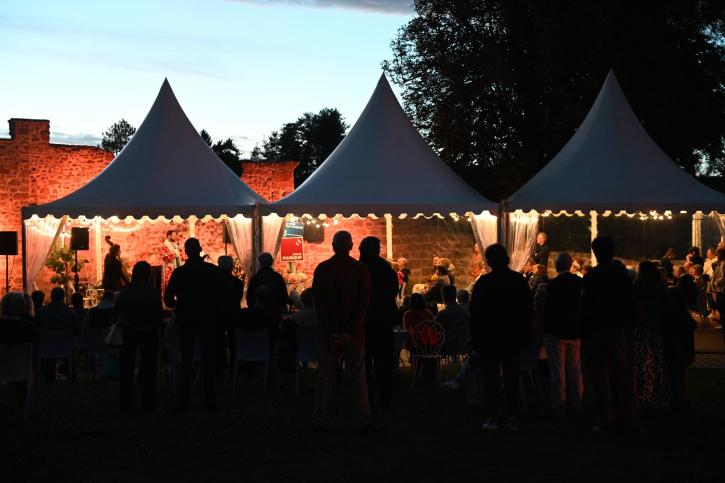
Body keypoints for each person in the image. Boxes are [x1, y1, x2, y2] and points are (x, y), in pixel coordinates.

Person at [312, 231, 371, 431]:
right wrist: (351, 331)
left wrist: (331, 330)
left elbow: (318, 303)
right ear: (351, 246)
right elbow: (363, 303)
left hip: (330, 332)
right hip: (353, 333)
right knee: (357, 375)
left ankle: (320, 416)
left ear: (333, 246)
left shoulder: (323, 269)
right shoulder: (360, 269)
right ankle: (361, 417)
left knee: (325, 375)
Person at [469, 244, 532, 432]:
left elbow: (476, 313)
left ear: (489, 260)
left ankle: (493, 416)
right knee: (512, 377)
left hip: (490, 338)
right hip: (512, 336)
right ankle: (512, 416)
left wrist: (476, 338)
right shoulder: (518, 280)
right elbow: (527, 309)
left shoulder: (484, 283)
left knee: (491, 379)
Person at [581, 236, 638, 434]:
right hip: (618, 330)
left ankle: (605, 419)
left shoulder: (591, 277)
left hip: (597, 331)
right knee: (620, 376)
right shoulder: (622, 276)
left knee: (599, 378)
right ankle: (625, 418)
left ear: (596, 253)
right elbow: (631, 304)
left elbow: (586, 307)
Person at [164, 238, 224, 411]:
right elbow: (224, 291)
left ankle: (184, 400)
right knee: (207, 358)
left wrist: (180, 305)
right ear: (200, 249)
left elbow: (168, 299)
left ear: (185, 251)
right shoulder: (212, 270)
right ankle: (210, 399)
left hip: (186, 318)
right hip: (206, 318)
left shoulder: (180, 273)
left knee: (186, 359)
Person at [113, 261, 163, 412]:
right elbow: (158, 315)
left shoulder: (124, 292)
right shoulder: (153, 292)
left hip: (128, 332)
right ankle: (149, 402)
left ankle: (125, 403)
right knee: (149, 368)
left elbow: (115, 314)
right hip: (148, 333)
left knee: (126, 368)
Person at [358, 236, 398, 409]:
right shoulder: (384, 268)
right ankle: (385, 399)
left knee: (364, 362)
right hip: (383, 320)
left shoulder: (359, 268)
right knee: (384, 362)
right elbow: (393, 291)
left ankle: (366, 397)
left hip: (364, 320)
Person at [542, 252, 583, 415]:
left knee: (558, 369)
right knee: (574, 369)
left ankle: (559, 402)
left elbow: (548, 308)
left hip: (556, 331)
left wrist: (546, 328)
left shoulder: (553, 284)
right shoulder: (580, 283)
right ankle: (576, 402)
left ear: (558, 266)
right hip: (575, 330)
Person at [632, 261, 670, 412]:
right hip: (656, 331)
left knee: (642, 366)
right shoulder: (660, 289)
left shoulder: (636, 288)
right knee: (657, 365)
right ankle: (656, 397)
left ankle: (642, 397)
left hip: (642, 331)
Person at [662, 286, 696, 411]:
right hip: (683, 349)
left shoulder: (670, 314)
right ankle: (682, 399)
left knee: (674, 376)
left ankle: (677, 400)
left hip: (674, 349)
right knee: (681, 375)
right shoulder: (683, 314)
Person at [35, 287, 78, 382]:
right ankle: (72, 376)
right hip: (65, 347)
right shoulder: (70, 312)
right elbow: (76, 329)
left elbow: (36, 327)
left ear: (51, 297)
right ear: (63, 297)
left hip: (46, 347)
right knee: (69, 344)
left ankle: (49, 376)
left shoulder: (42, 312)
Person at [216, 255, 244, 382]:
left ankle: (220, 371)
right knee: (234, 344)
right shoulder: (237, 283)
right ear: (231, 266)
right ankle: (233, 371)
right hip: (233, 315)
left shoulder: (215, 284)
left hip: (219, 316)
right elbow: (238, 298)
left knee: (219, 343)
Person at [436, 284, 469, 356]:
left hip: (448, 347)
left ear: (444, 297)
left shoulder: (443, 314)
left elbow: (434, 327)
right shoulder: (463, 312)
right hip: (464, 345)